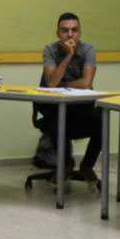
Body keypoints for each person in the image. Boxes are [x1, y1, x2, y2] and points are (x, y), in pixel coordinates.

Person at [38, 12, 103, 182]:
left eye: (74, 30)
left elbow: (86, 83)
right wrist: (68, 55)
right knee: (57, 119)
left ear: (79, 32)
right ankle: (66, 165)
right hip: (55, 108)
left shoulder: (88, 50)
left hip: (81, 107)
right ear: (57, 33)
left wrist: (63, 84)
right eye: (65, 30)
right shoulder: (50, 50)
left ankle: (87, 166)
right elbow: (52, 83)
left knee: (102, 120)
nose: (70, 34)